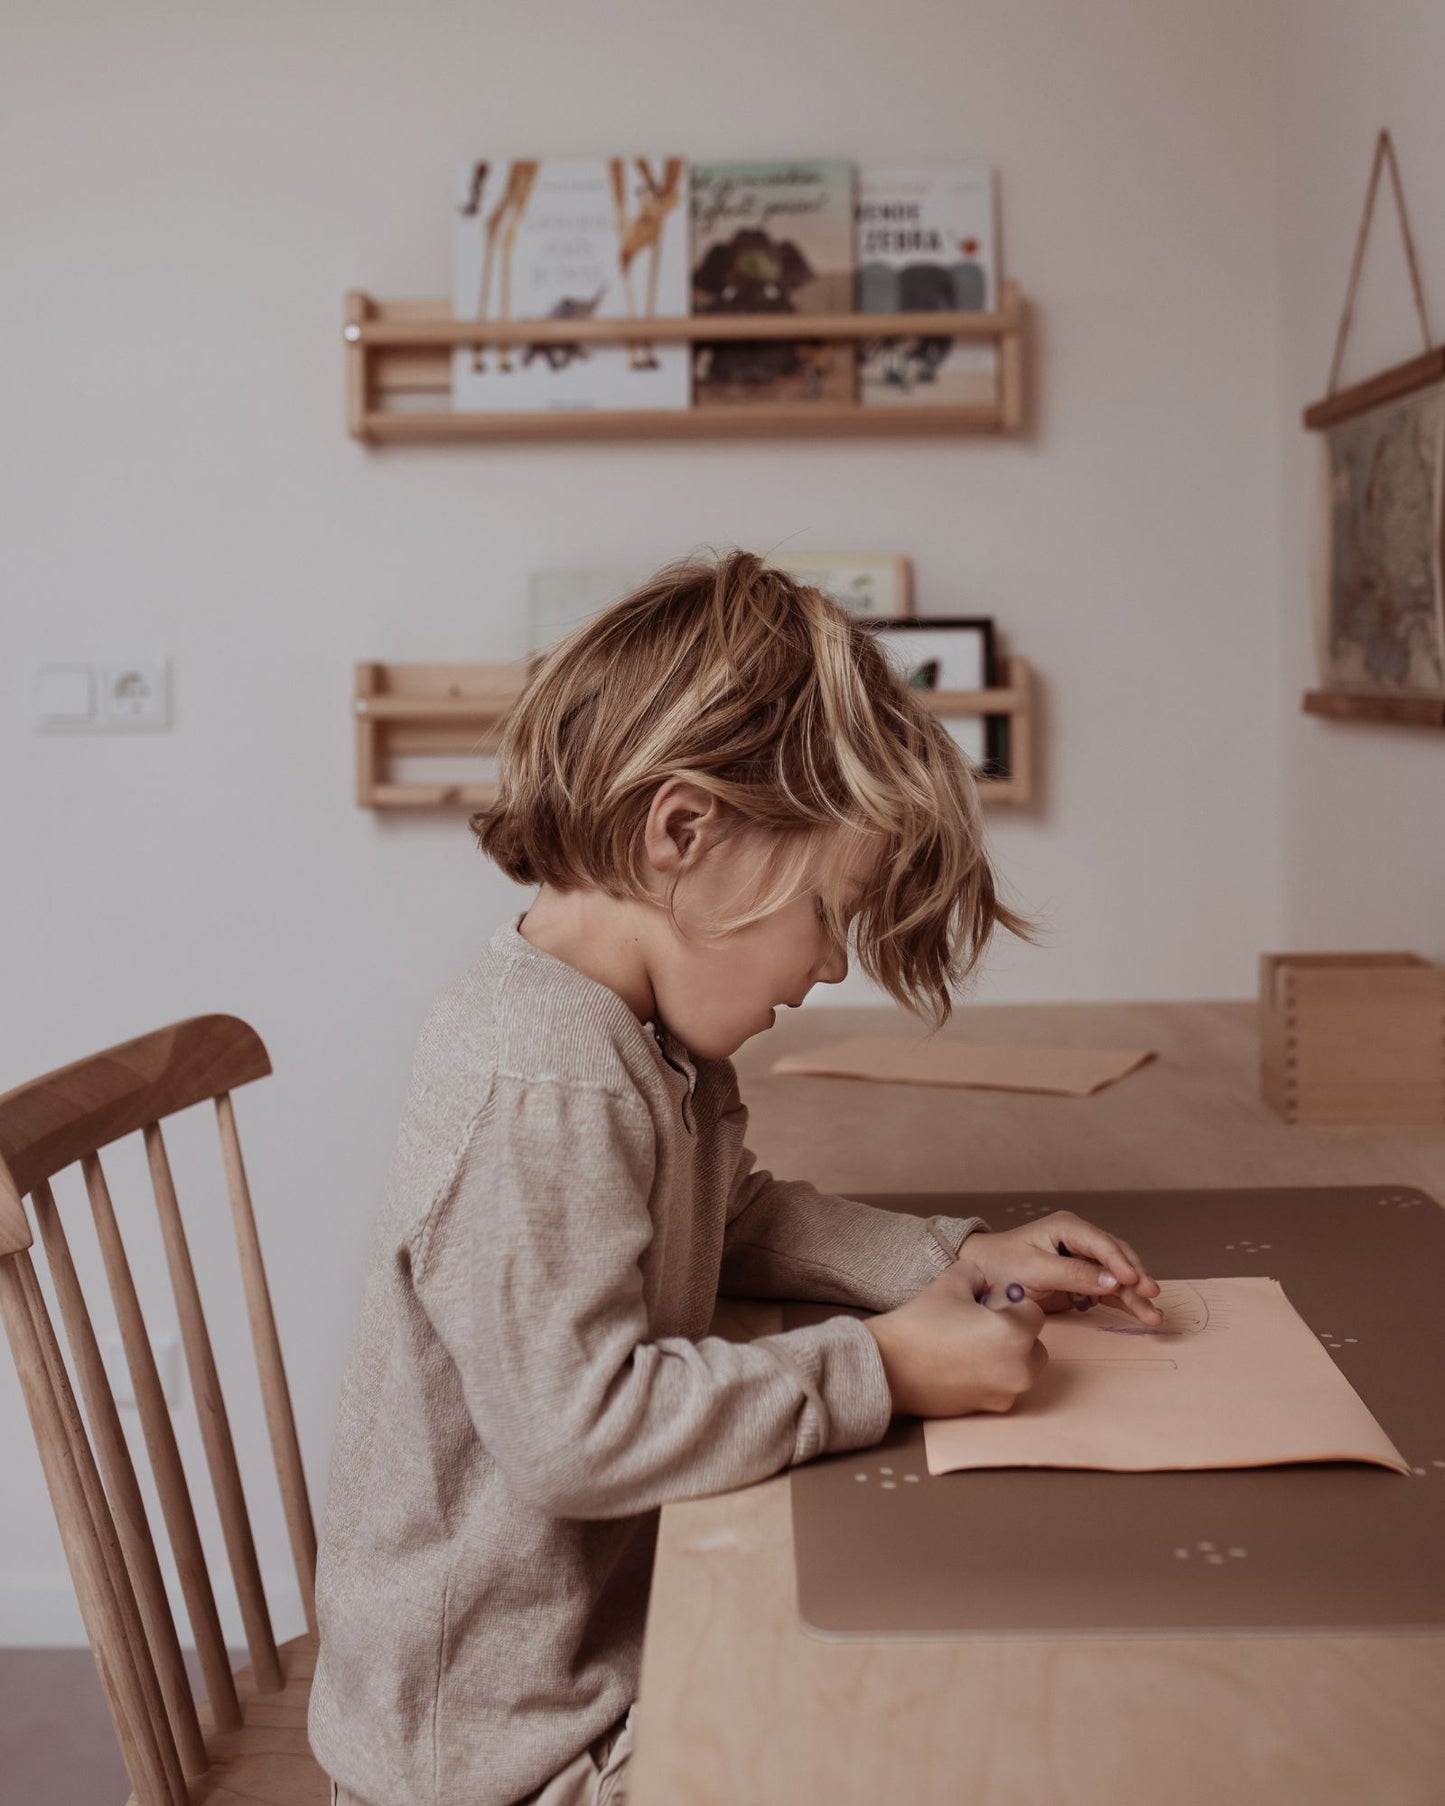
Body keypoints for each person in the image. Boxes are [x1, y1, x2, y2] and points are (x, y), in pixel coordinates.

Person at [307, 550, 1163, 1806]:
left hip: (588, 1665)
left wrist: (943, 1259)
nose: (826, 969)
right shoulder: (545, 1077)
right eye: (830, 912)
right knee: (979, 1737)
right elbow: (576, 1432)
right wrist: (878, 1368)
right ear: (682, 832)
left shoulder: (622, 1028)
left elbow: (730, 1213)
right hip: (502, 1753)